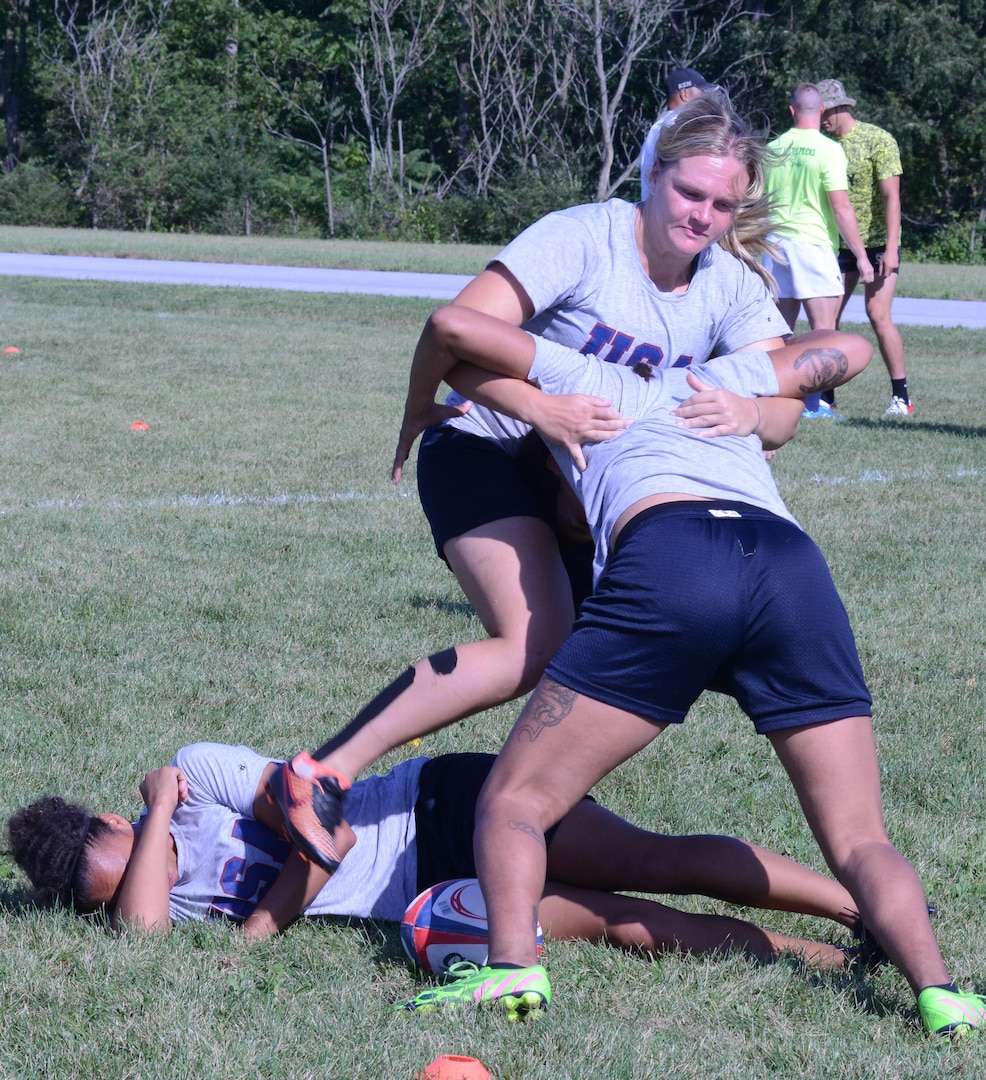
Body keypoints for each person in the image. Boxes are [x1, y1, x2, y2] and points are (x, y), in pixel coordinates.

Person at [392, 306, 985, 1039]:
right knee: (862, 838)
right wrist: (756, 406)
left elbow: (451, 326)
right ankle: (942, 994)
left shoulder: (588, 377)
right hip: (792, 568)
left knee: (514, 799)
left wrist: (431, 405)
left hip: (675, 555)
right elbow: (851, 347)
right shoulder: (715, 376)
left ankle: (511, 970)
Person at [267, 93, 797, 874]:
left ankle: (533, 809)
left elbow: (786, 411)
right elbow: (454, 328)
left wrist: (750, 406)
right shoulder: (585, 237)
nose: (703, 216)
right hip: (488, 448)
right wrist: (531, 409)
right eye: (689, 192)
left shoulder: (728, 283)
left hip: (584, 491)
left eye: (724, 203)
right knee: (535, 642)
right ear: (653, 173)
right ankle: (319, 776)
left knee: (629, 656)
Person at [8, 743, 871, 974]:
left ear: (110, 818)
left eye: (129, 854)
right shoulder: (160, 846)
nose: (145, 876)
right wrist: (155, 822)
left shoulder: (198, 769)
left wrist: (259, 930)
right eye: (117, 893)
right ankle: (829, 959)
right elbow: (148, 939)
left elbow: (329, 833)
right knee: (626, 928)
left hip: (444, 807)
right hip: (438, 893)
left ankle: (861, 909)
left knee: (653, 860)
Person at [762, 83, 874, 418]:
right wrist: (862, 257)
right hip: (812, 244)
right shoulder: (828, 150)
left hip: (775, 244)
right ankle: (814, 404)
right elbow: (840, 207)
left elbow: (757, 200)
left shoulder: (773, 148)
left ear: (792, 110)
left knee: (778, 331)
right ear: (822, 109)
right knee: (824, 330)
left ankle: (776, 399)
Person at [816, 78, 911, 416]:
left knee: (877, 313)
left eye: (824, 111)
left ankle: (902, 397)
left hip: (877, 243)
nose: (820, 118)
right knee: (826, 320)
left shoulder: (877, 139)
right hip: (838, 243)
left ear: (840, 107)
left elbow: (892, 197)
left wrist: (890, 246)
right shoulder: (822, 144)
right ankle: (826, 396)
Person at [639, 67, 717, 200]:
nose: (706, 99)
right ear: (684, 94)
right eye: (702, 92)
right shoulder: (677, 126)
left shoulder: (659, 127)